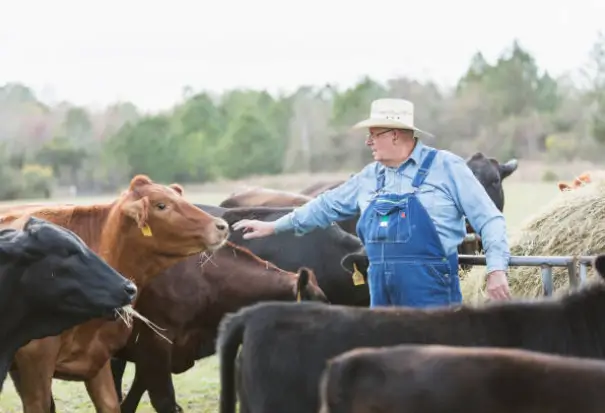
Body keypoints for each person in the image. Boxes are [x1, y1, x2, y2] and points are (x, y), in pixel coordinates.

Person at [232, 98, 511, 308]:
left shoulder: (447, 168)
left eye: (374, 134)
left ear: (395, 135)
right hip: (380, 294)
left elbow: (490, 219)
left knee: (433, 370)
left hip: (433, 293)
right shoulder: (369, 177)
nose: (368, 142)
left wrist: (496, 269)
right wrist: (274, 227)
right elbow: (324, 206)